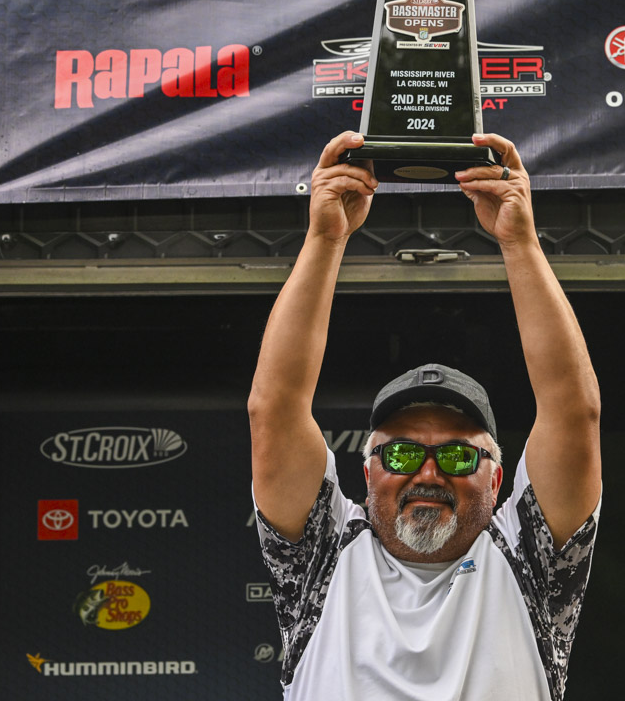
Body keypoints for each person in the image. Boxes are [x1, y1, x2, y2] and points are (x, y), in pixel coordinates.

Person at [248, 132, 602, 701]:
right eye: (402, 453)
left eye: (459, 455)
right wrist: (324, 238)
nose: (429, 473)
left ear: (496, 479)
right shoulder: (320, 560)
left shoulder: (531, 563)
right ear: (367, 472)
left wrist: (520, 242)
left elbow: (573, 412)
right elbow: (275, 409)